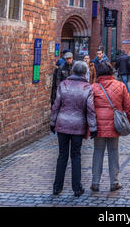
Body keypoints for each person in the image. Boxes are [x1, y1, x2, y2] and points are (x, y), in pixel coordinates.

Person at [50, 61, 97, 197]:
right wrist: (93, 128)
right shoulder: (87, 88)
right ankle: (77, 188)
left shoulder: (63, 85)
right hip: (78, 126)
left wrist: (52, 123)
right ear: (84, 73)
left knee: (62, 155)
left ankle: (57, 187)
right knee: (76, 156)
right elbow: (91, 110)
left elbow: (56, 106)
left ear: (72, 71)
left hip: (62, 124)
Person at [91, 61, 130, 192]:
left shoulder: (94, 87)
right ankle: (114, 182)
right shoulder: (120, 86)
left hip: (99, 125)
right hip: (115, 125)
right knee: (113, 152)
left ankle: (95, 182)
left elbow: (89, 108)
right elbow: (129, 107)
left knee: (97, 152)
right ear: (112, 72)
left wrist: (89, 127)